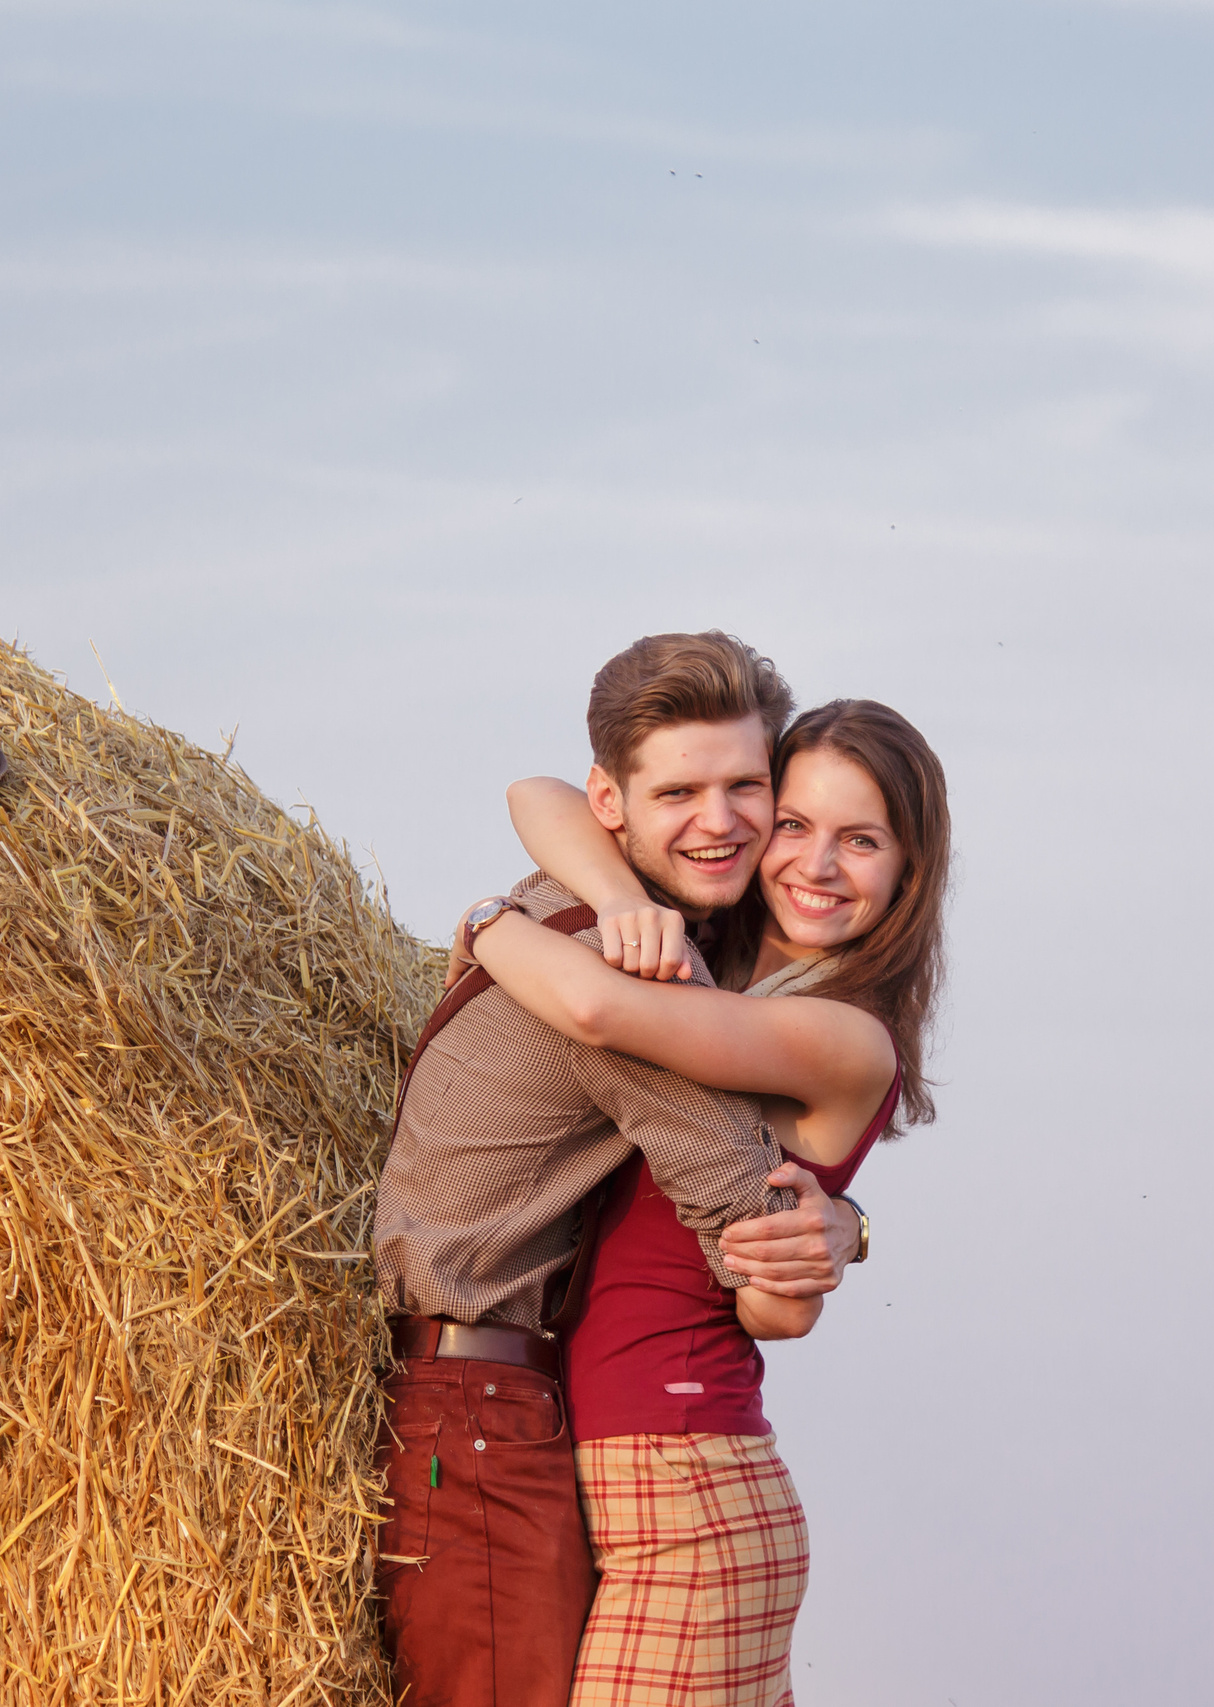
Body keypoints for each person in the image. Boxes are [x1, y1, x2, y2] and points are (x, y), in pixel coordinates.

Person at [369, 632, 865, 1707]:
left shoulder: (557, 898)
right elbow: (755, 1246)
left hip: (459, 1403)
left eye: (746, 786)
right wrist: (814, 1231)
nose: (720, 820)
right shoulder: (631, 971)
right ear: (613, 802)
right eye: (679, 790)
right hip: (485, 1415)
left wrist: (849, 1219)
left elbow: (535, 791)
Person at [461, 696, 950, 1707]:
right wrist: (613, 889)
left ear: (908, 872)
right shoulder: (716, 963)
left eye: (860, 841)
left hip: (685, 1489)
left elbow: (596, 1009)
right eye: (796, 825)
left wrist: (483, 926)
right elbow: (540, 794)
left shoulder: (842, 1035)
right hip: (607, 1470)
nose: (814, 866)